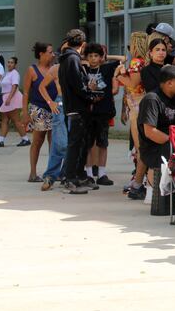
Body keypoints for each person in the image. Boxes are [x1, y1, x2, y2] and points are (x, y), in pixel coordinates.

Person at [58, 29, 93, 195]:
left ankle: (76, 175)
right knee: (75, 144)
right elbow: (78, 85)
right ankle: (70, 178)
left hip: (74, 106)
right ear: (83, 44)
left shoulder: (68, 58)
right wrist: (90, 95)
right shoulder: (72, 59)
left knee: (79, 143)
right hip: (77, 107)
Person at [82, 43, 119, 187]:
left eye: (96, 56)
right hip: (88, 111)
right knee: (89, 143)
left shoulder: (106, 68)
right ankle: (89, 173)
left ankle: (102, 173)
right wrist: (83, 58)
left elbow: (123, 59)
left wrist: (105, 57)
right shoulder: (83, 69)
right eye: (90, 56)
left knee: (102, 143)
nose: (93, 59)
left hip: (103, 111)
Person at [22, 42, 56, 183]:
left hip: (55, 108)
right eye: (50, 52)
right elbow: (25, 92)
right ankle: (33, 173)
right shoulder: (32, 70)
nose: (53, 55)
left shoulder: (55, 68)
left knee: (54, 142)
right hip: (38, 107)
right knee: (38, 140)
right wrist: (24, 113)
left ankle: (52, 172)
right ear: (41, 54)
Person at [37, 41, 69, 191]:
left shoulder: (79, 66)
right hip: (60, 105)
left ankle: (66, 174)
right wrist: (50, 102)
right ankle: (50, 175)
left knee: (73, 143)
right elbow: (41, 86)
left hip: (76, 105)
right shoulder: (56, 68)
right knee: (59, 142)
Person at [115, 31, 148, 158]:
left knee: (139, 144)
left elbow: (133, 84)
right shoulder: (146, 60)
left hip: (137, 103)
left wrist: (118, 76)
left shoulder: (136, 62)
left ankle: (141, 175)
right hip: (142, 101)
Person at [0, 57, 29, 148]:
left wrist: (9, 98)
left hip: (12, 97)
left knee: (15, 120)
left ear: (15, 64)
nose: (9, 64)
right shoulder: (7, 74)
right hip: (6, 97)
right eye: (8, 62)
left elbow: (14, 86)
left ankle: (25, 139)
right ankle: (0, 140)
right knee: (5, 119)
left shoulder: (15, 74)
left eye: (12, 62)